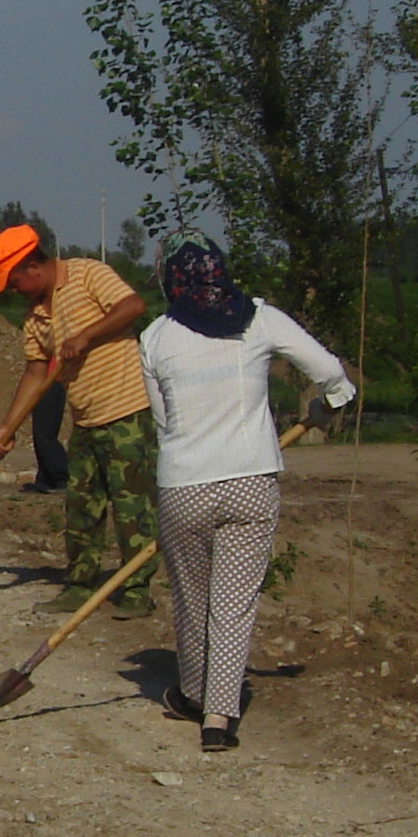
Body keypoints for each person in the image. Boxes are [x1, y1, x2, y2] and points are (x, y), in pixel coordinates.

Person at [139, 234, 353, 752]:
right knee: (233, 605)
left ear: (172, 280)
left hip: (184, 486)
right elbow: (330, 374)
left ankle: (192, 692)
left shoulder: (155, 337)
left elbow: (163, 423)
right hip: (251, 483)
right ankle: (218, 718)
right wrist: (329, 407)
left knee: (192, 599)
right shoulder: (259, 318)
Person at [0, 226, 158, 619]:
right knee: (81, 509)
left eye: (14, 282)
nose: (14, 291)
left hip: (127, 412)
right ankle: (80, 583)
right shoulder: (35, 318)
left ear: (33, 266)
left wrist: (85, 336)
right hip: (86, 421)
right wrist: (6, 428)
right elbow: (34, 373)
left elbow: (132, 307)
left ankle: (136, 591)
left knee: (132, 510)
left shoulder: (88, 274)